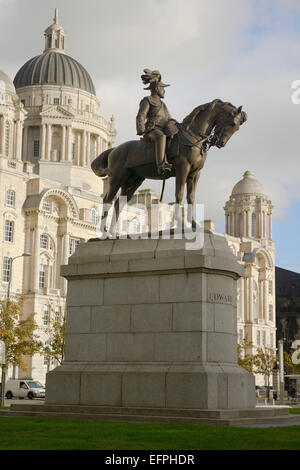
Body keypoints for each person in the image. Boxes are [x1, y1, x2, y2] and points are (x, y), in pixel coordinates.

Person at [136, 69, 174, 176]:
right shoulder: (147, 100)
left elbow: (169, 118)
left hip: (163, 129)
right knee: (161, 137)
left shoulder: (163, 105)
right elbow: (141, 115)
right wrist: (141, 129)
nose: (164, 91)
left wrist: (174, 125)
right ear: (157, 88)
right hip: (152, 130)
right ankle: (161, 165)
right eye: (163, 88)